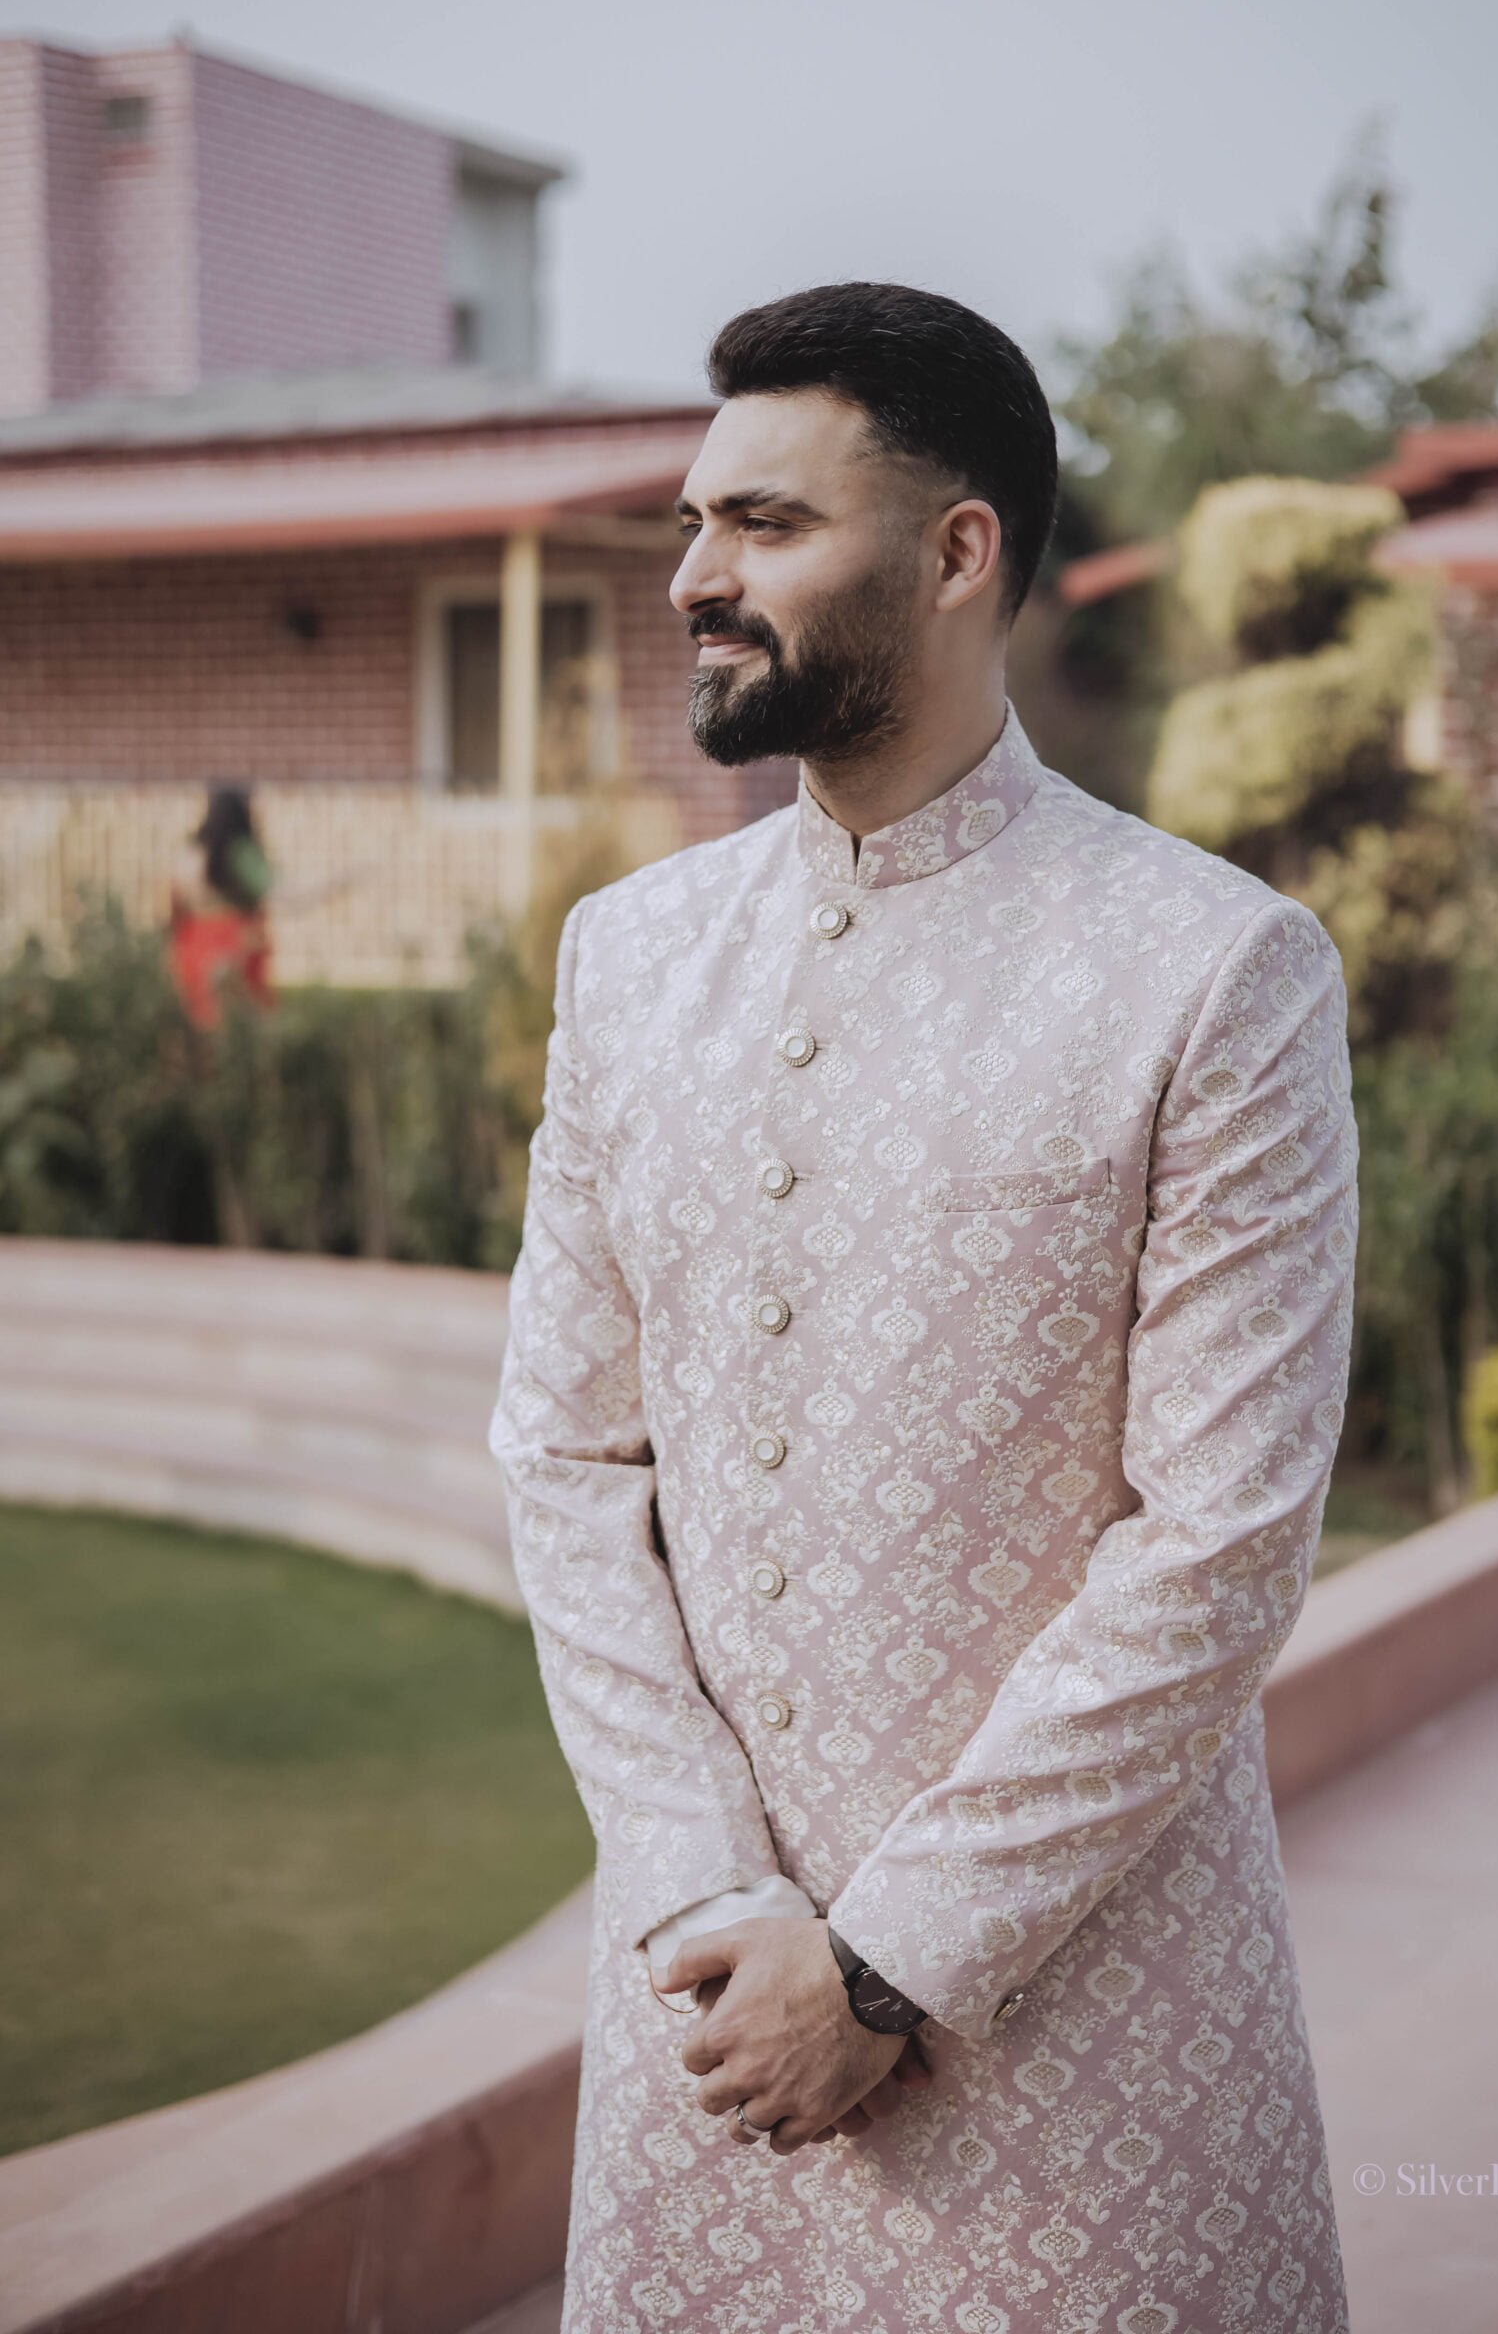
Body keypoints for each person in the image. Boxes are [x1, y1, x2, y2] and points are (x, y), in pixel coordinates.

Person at [487, 281, 1356, 2331]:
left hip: (1087, 2043)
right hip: (707, 2025)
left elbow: (1220, 1539)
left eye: (766, 523)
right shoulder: (631, 959)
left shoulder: (1211, 972)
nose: (695, 577)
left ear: (959, 552)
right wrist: (707, 1889)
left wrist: (882, 1968)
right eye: (696, 523)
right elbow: (565, 1452)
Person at [166, 784, 278, 1032]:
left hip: (195, 941)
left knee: (201, 1017)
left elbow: (175, 902)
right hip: (237, 940)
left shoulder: (190, 854)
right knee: (242, 1019)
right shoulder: (244, 854)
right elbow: (271, 891)